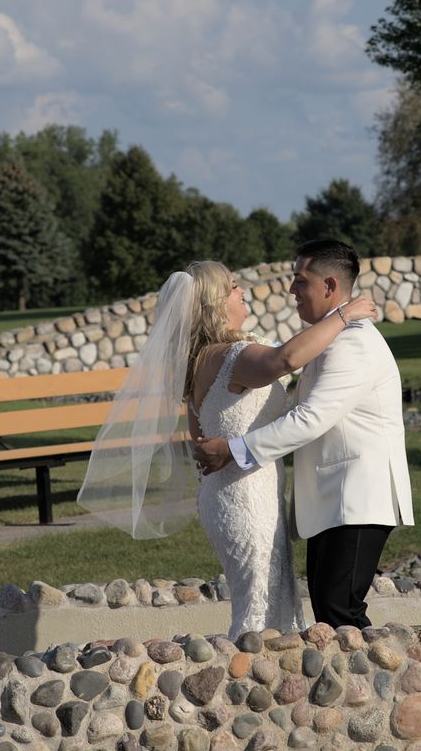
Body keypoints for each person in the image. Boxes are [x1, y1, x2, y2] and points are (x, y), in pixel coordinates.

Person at [77, 259, 378, 638]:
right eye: (232, 287)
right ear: (215, 305)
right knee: (261, 609)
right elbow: (285, 359)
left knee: (263, 601)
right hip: (247, 496)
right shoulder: (234, 358)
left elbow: (199, 434)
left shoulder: (200, 359)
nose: (242, 291)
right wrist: (343, 315)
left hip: (227, 494)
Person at [193, 240, 414, 630]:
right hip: (328, 500)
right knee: (328, 612)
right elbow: (283, 361)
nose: (291, 290)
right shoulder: (326, 338)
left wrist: (235, 448)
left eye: (299, 281)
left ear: (329, 285)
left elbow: (310, 418)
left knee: (339, 611)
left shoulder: (355, 343)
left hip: (356, 496)